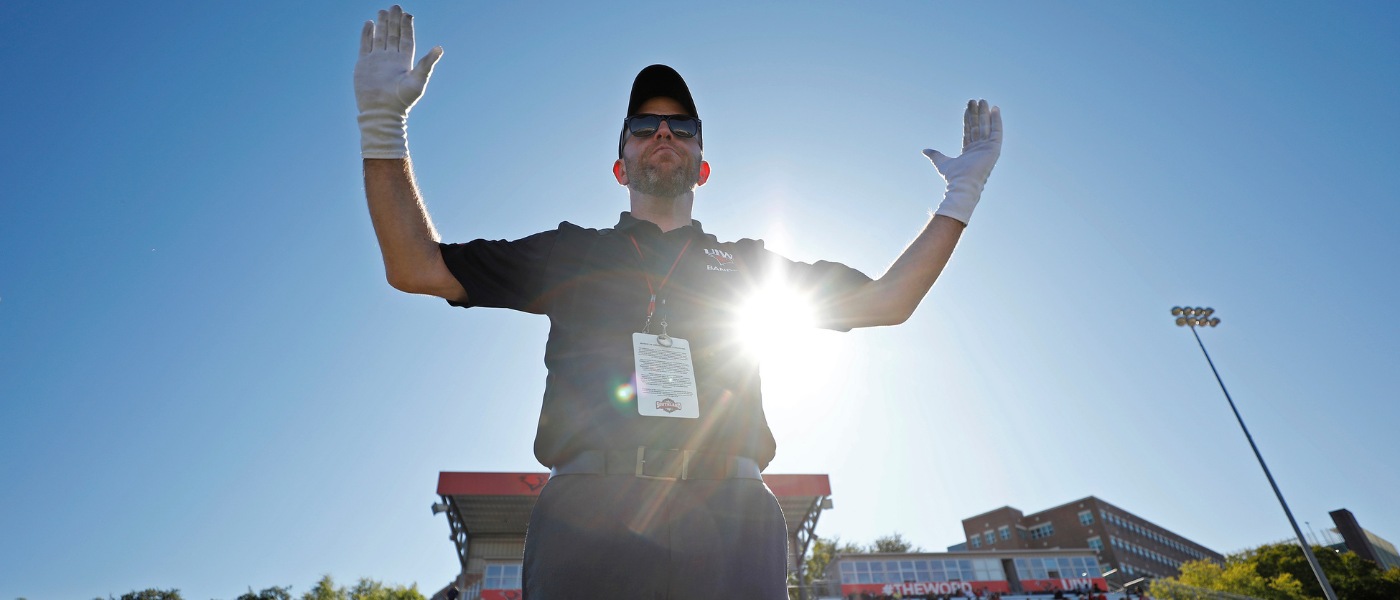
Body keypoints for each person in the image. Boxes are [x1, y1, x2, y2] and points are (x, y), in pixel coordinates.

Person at [353, 5, 1002, 599]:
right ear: (620, 164)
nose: (662, 132)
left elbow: (886, 301)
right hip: (588, 509)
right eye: (643, 125)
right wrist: (382, 127)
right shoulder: (569, 252)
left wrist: (961, 198)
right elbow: (417, 267)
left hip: (734, 511)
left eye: (681, 126)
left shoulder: (749, 266)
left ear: (702, 162)